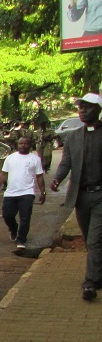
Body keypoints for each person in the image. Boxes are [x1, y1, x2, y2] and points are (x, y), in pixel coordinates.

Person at [52, 93, 102, 300]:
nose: (82, 110)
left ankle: (90, 282)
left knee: (95, 238)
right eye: (80, 107)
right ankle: (98, 274)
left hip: (101, 195)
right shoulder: (73, 136)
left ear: (98, 110)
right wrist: (57, 179)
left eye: (87, 107)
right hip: (81, 197)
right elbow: (66, 163)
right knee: (92, 242)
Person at [0, 136, 46, 256]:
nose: (23, 145)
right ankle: (13, 229)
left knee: (25, 217)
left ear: (30, 145)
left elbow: (39, 176)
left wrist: (43, 192)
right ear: (17, 145)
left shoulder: (35, 159)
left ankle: (21, 240)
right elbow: (3, 174)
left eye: (26, 143)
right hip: (11, 193)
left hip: (27, 193)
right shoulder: (10, 158)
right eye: (21, 143)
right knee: (7, 215)